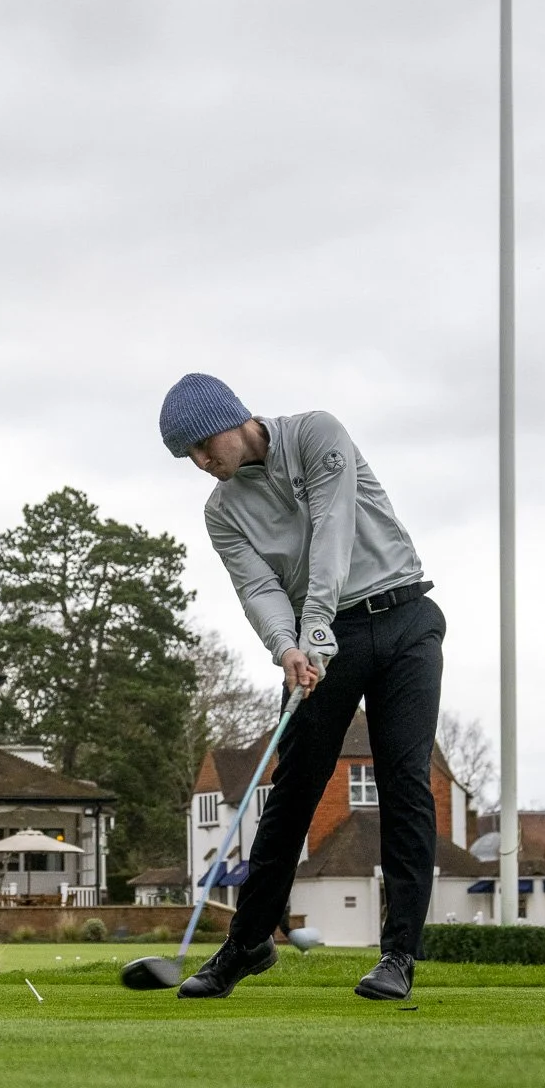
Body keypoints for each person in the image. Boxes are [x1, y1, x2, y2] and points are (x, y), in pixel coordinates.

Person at [159, 374, 444, 1001]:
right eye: (189, 457)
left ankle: (398, 955)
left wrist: (313, 624)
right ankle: (248, 943)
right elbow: (258, 588)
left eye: (204, 445)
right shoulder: (222, 511)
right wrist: (286, 647)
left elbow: (332, 527)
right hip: (319, 640)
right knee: (292, 792)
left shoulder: (318, 433)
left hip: (403, 618)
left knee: (405, 783)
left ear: (234, 419)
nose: (202, 463)